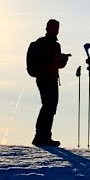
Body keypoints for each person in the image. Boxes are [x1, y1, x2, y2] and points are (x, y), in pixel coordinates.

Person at [28, 19, 71, 147]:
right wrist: (54, 58)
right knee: (48, 105)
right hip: (43, 78)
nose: (55, 30)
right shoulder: (41, 43)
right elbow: (43, 60)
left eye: (57, 28)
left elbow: (58, 65)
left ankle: (45, 136)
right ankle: (40, 136)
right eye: (53, 27)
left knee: (51, 106)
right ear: (47, 28)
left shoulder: (56, 45)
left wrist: (63, 59)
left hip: (52, 78)